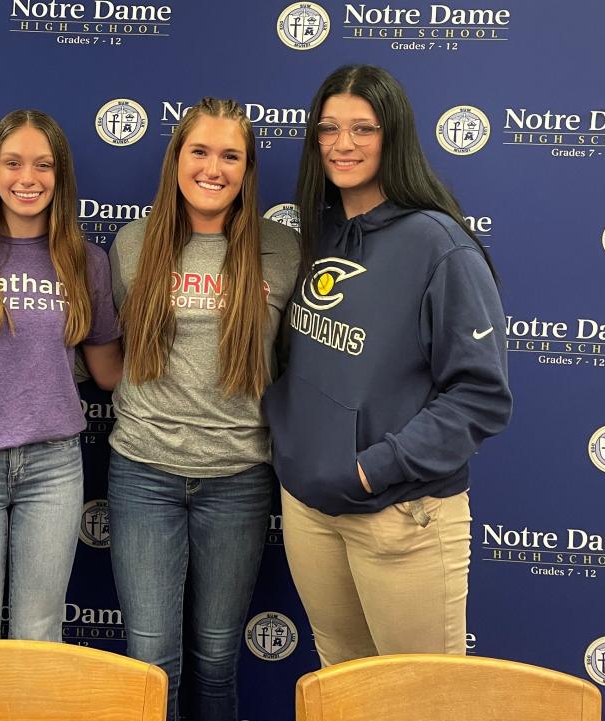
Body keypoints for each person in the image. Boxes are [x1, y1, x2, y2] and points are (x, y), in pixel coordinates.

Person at [263, 64, 513, 667]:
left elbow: (479, 397)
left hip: (401, 516)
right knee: (342, 680)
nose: (342, 144)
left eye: (362, 128)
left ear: (393, 135)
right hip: (309, 508)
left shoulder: (440, 246)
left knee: (420, 698)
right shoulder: (316, 233)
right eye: (328, 128)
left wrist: (374, 470)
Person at [107, 97, 301, 721]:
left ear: (247, 169)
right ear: (176, 159)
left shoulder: (283, 250)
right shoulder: (133, 244)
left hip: (239, 477)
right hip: (143, 472)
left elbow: (299, 364)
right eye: (200, 151)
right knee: (150, 661)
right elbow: (110, 354)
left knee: (217, 660)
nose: (212, 168)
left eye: (230, 155)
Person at [0, 110, 122, 642]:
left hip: (53, 468)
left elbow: (107, 372)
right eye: (12, 163)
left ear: (61, 177)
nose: (27, 178)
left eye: (43, 165)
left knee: (40, 634)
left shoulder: (86, 261)